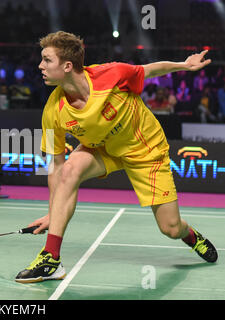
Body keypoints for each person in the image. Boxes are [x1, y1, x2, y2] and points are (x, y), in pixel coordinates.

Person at [15, 31, 218, 284]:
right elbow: (56, 167)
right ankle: (50, 258)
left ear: (67, 66)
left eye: (47, 60)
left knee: (171, 228)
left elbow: (150, 69)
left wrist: (184, 65)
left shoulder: (111, 75)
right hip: (102, 149)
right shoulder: (53, 110)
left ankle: (190, 236)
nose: (40, 66)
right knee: (69, 169)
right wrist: (52, 213)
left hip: (145, 149)